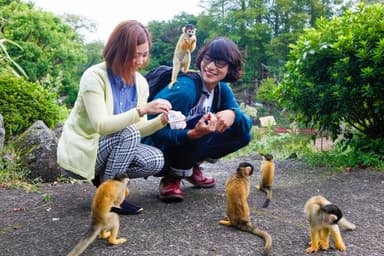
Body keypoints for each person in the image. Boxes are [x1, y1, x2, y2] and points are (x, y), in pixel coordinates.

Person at [57, 20, 172, 214]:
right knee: (128, 133)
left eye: (144, 55)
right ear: (120, 52)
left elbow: (140, 128)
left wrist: (162, 121)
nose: (141, 61)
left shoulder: (141, 83)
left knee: (155, 159)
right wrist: (142, 110)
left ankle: (105, 180)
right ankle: (110, 198)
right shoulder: (94, 76)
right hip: (86, 149)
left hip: (113, 148)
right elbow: (101, 125)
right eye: (136, 55)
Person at [143, 37, 253, 202]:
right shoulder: (185, 90)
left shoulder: (221, 89)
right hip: (156, 149)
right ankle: (172, 177)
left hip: (185, 142)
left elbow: (246, 127)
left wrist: (233, 113)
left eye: (220, 63)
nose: (210, 67)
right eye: (208, 60)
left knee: (242, 135)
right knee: (203, 125)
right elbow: (154, 132)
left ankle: (190, 166)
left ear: (230, 68)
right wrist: (193, 133)